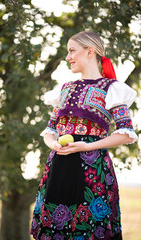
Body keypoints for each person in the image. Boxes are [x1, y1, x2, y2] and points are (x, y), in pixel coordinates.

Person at [30, 31, 138, 240]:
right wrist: (53, 144)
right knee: (55, 230)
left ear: (90, 51)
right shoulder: (64, 89)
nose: (68, 57)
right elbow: (51, 129)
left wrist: (86, 146)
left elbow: (126, 133)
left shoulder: (112, 88)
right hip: (59, 167)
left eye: (72, 51)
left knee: (89, 229)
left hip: (92, 170)